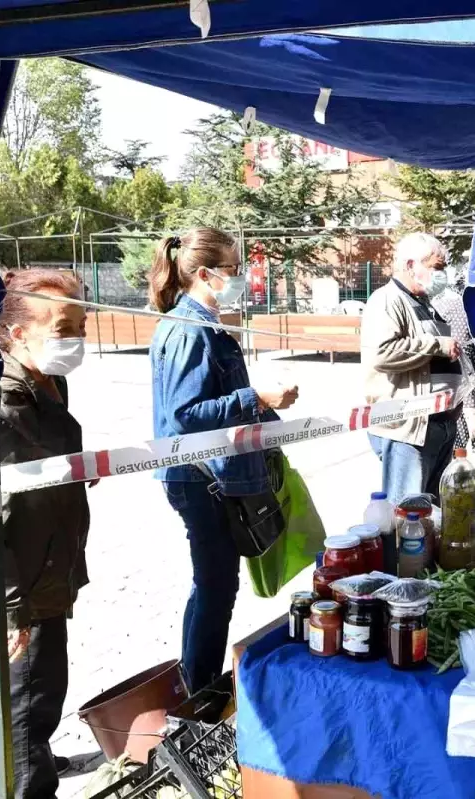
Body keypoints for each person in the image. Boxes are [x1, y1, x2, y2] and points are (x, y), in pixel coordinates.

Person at [148, 227, 299, 693]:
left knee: (212, 584)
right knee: (216, 586)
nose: (241, 277)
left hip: (210, 474)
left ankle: (194, 683)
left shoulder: (203, 323)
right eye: (234, 269)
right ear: (204, 274)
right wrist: (255, 397)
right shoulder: (189, 329)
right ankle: (201, 691)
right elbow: (185, 413)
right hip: (200, 478)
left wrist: (264, 409)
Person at [0, 268, 91, 798]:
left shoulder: (47, 380)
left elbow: (39, 469)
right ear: (17, 333)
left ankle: (13, 760)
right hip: (21, 580)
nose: (77, 339)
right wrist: (9, 607)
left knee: (29, 690)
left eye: (81, 325)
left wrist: (75, 472)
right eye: (63, 328)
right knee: (31, 697)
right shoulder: (0, 402)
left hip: (49, 561)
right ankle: (25, 778)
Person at [362, 233, 462, 502]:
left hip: (438, 424)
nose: (442, 274)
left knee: (431, 514)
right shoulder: (387, 300)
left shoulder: (424, 302)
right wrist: (437, 346)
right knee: (408, 513)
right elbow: (382, 353)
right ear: (410, 265)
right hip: (408, 429)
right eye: (436, 267)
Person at [430, 261, 475, 450]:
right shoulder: (460, 307)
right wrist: (470, 410)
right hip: (458, 398)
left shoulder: (445, 301)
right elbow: (462, 359)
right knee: (456, 455)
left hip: (451, 394)